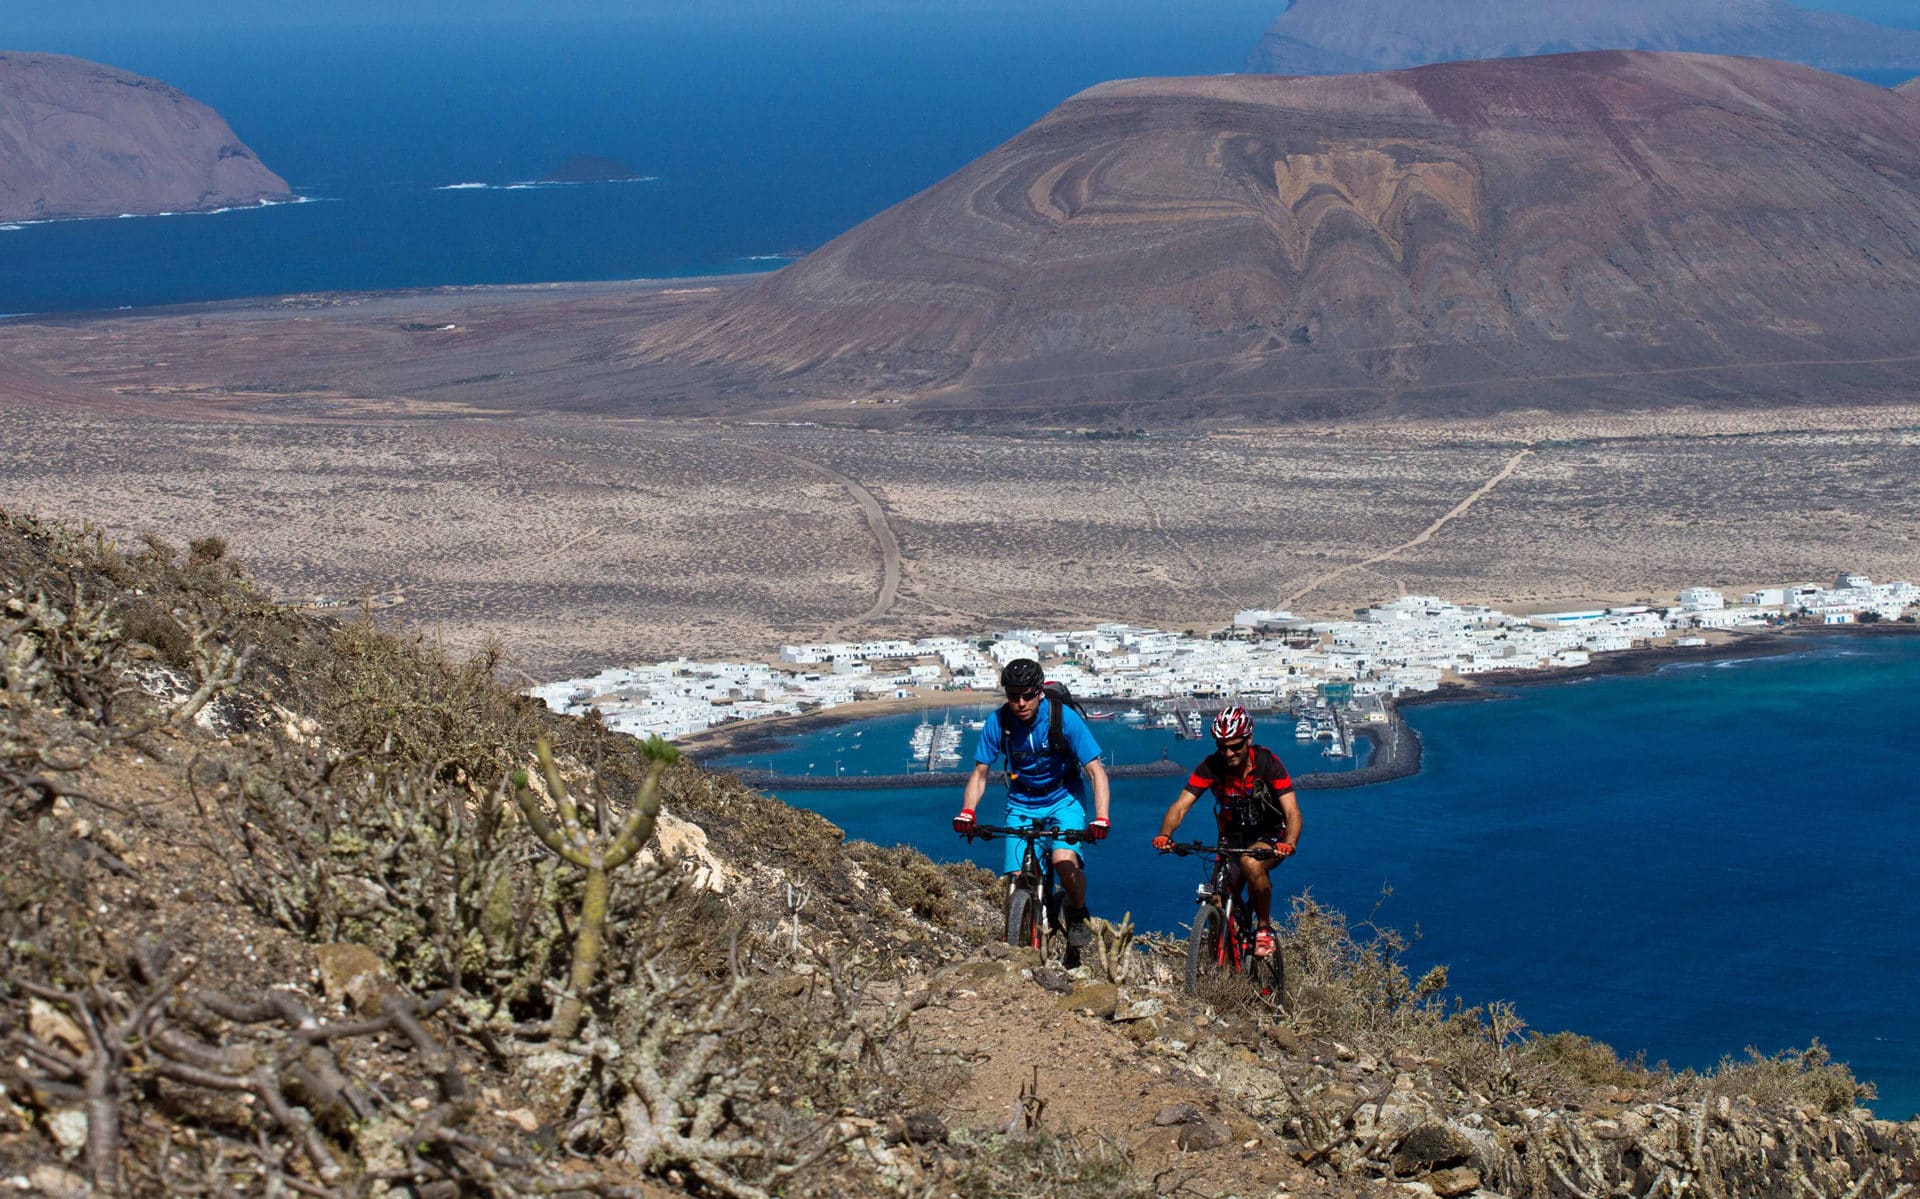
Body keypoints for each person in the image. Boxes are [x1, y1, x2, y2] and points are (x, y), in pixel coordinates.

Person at [952, 659, 1111, 948]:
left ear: (1039, 692)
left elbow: (1096, 771)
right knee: (1015, 878)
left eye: (1027, 695)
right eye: (1014, 696)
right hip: (1022, 801)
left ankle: (1077, 911)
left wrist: (1101, 818)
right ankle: (1021, 933)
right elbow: (980, 774)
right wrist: (968, 811)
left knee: (1063, 861)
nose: (1021, 703)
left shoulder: (1063, 719)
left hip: (1064, 798)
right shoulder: (998, 722)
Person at [1152, 705, 1301, 958]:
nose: (1228, 753)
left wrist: (1289, 842)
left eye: (1235, 746)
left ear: (1248, 739)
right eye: (1222, 747)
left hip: (1271, 835)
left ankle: (1263, 929)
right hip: (1231, 839)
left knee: (1251, 864)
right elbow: (1180, 806)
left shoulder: (1268, 764)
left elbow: (1293, 813)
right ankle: (1223, 967)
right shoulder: (1211, 767)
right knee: (1215, 899)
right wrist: (1165, 834)